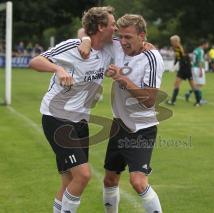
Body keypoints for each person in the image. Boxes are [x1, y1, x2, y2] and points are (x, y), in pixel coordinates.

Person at [29, 6, 117, 213]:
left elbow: (131, 44)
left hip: (81, 121)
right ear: (101, 27)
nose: (116, 28)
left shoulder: (109, 49)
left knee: (68, 180)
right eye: (112, 25)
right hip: (56, 117)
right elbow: (35, 61)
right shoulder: (71, 46)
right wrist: (58, 68)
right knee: (83, 175)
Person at [80, 14, 164, 213]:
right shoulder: (116, 44)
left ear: (142, 36)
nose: (123, 41)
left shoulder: (153, 58)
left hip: (142, 128)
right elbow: (88, 31)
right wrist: (85, 40)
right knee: (110, 179)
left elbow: (149, 100)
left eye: (129, 37)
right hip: (119, 126)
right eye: (121, 36)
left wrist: (120, 78)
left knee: (138, 182)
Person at [166, 35, 201, 106]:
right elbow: (178, 57)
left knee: (192, 85)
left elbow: (185, 57)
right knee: (177, 84)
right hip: (183, 68)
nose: (171, 43)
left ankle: (198, 101)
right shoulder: (176, 48)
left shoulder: (180, 48)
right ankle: (173, 101)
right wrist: (175, 64)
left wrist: (185, 62)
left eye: (172, 41)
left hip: (185, 68)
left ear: (176, 41)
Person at [185, 39, 209, 104]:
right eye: (207, 44)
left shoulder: (195, 50)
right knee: (200, 84)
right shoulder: (201, 51)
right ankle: (199, 99)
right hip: (198, 68)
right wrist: (201, 70)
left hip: (193, 68)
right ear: (204, 44)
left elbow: (193, 59)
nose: (207, 45)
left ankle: (189, 92)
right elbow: (199, 60)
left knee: (196, 83)